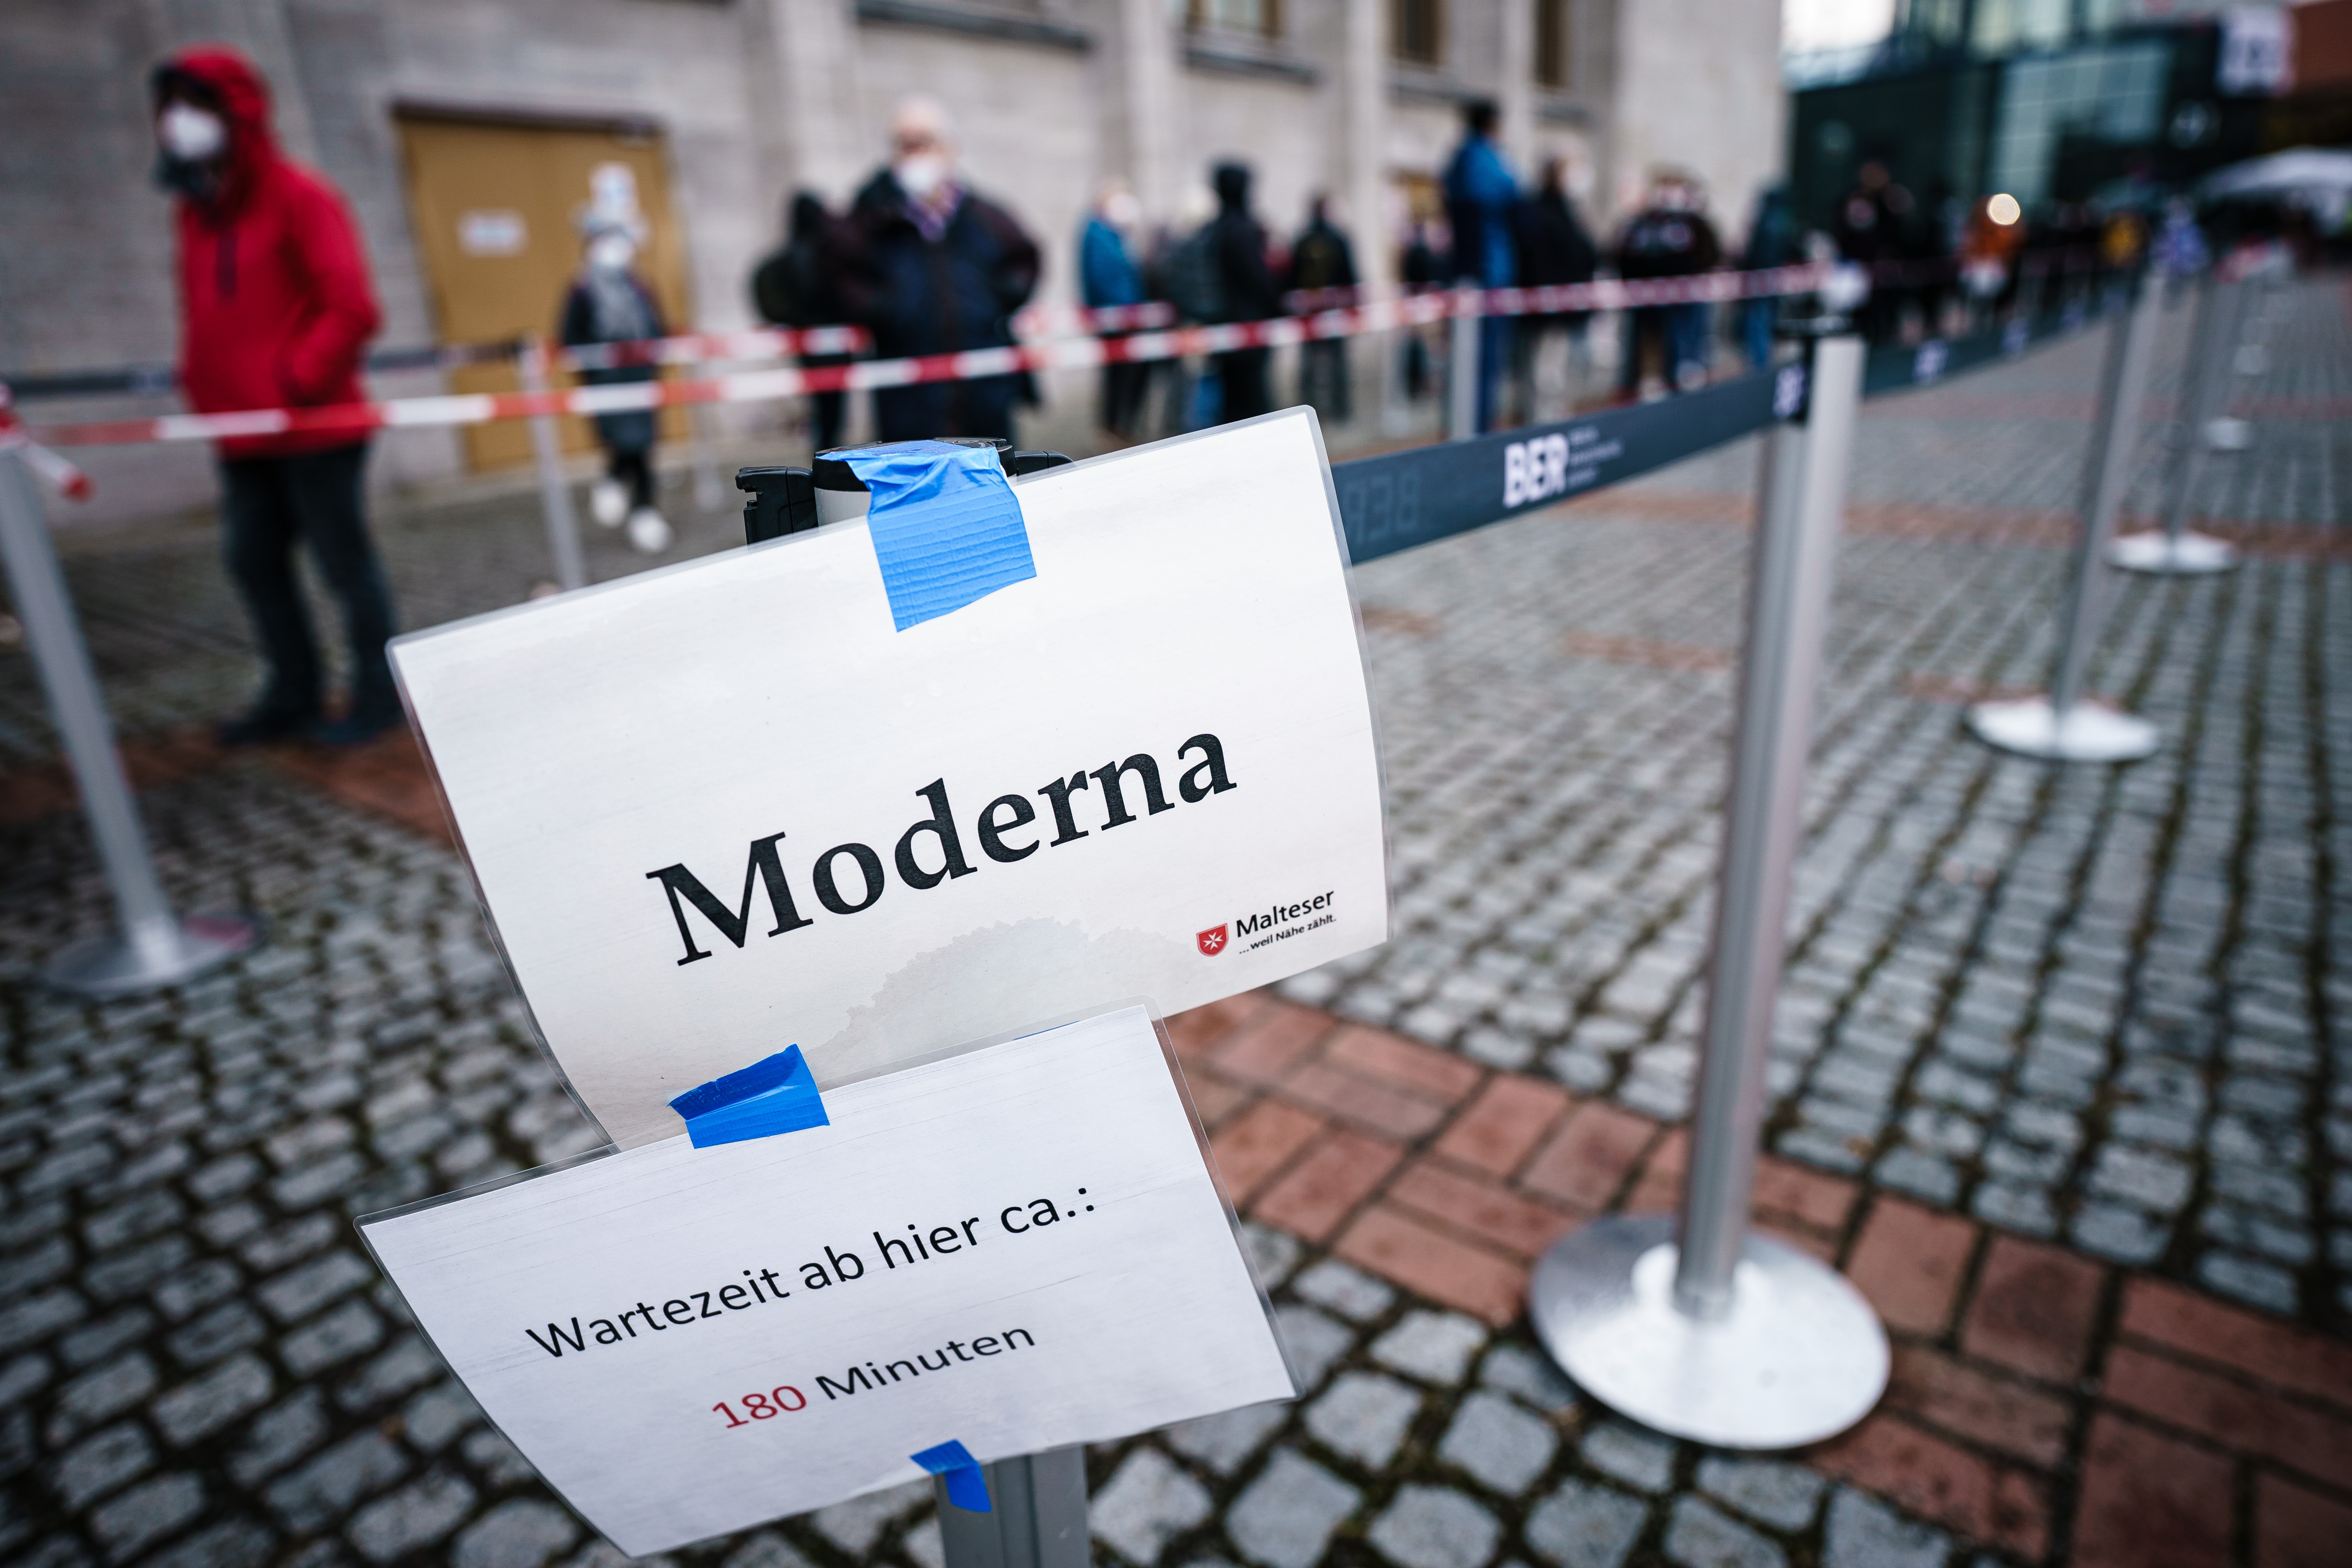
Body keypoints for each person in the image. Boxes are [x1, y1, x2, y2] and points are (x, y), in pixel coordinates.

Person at [151, 46, 396, 748]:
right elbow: (202, 315)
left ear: (235, 111)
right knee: (254, 562)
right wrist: (204, 384)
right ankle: (293, 693)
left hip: (315, 427)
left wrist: (294, 382)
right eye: (170, 107)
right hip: (242, 434)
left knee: (344, 566)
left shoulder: (301, 197)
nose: (179, 122)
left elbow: (350, 306)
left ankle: (379, 696)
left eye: (195, 105)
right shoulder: (195, 215)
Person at [832, 96, 1041, 443]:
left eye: (925, 142)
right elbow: (841, 273)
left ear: (950, 146)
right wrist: (884, 310)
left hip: (983, 391)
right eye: (905, 144)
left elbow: (1024, 258)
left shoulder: (983, 215)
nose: (916, 154)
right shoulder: (872, 217)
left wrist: (994, 301)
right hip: (908, 395)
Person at [559, 215, 672, 554]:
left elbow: (657, 330)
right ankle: (628, 497)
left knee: (642, 448)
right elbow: (570, 340)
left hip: (639, 381)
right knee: (623, 445)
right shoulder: (582, 290)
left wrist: (649, 363)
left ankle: (641, 508)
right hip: (607, 385)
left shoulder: (639, 287)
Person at [751, 191, 852, 452]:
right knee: (833, 406)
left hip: (807, 342)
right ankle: (828, 451)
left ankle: (824, 450)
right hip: (833, 341)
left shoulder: (792, 254)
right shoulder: (825, 254)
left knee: (822, 403)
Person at [1441, 99, 1519, 432]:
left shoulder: (1459, 160)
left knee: (1463, 359)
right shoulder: (1488, 162)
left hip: (1469, 269)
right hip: (1488, 272)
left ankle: (1466, 425)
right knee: (1483, 360)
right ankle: (1479, 429)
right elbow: (1512, 200)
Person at [1612, 169, 1722, 399]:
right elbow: (1626, 254)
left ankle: (1679, 382)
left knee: (1681, 347)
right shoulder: (1644, 222)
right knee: (1644, 347)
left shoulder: (1693, 223)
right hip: (1645, 299)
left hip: (1684, 300)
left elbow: (1709, 254)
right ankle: (1639, 385)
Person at [1512, 156, 1598, 416]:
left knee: (1547, 369)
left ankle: (1542, 416)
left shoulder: (1560, 211)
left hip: (1557, 306)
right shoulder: (1544, 212)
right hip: (1548, 307)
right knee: (1542, 371)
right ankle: (1540, 420)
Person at [1205, 161, 1281, 423]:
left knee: (1234, 404)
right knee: (1251, 407)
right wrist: (1278, 306)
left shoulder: (1217, 228)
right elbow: (1258, 279)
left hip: (1225, 327)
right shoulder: (1241, 230)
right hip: (1248, 330)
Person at [1078, 178, 1148, 440]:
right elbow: (1105, 278)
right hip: (1116, 317)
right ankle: (1113, 429)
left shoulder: (1110, 234)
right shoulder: (1099, 233)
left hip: (1121, 315)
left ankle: (1117, 427)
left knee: (1121, 375)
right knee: (1119, 375)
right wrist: (1129, 308)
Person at [1288, 193, 1359, 423]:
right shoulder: (1333, 238)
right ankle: (1334, 410)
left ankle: (1318, 409)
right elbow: (1349, 274)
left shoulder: (1305, 239)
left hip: (1317, 311)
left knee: (1321, 364)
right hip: (1324, 311)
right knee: (1327, 364)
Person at [1737, 182, 1803, 371]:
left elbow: (1757, 253)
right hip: (1769, 276)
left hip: (1761, 277)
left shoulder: (1769, 221)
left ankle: (1760, 360)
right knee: (1763, 318)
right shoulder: (1779, 221)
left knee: (1759, 318)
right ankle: (1761, 358)